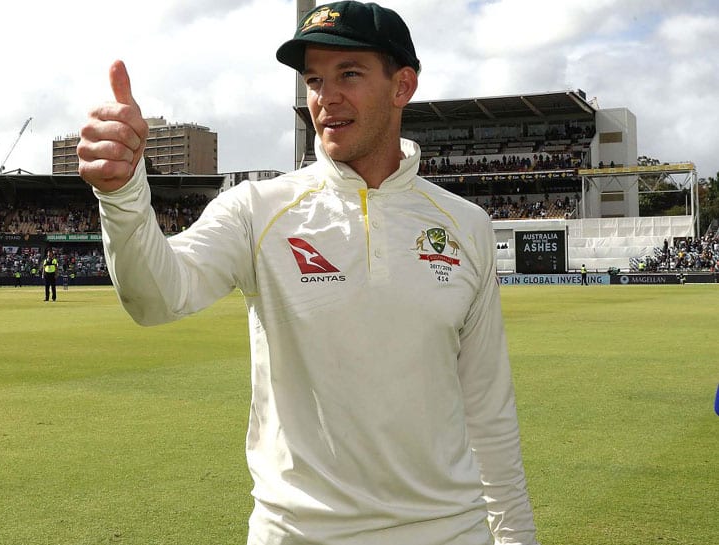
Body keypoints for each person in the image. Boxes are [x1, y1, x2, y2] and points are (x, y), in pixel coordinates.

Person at [77, 2, 540, 544]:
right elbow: (157, 298)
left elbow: (488, 408)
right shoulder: (256, 208)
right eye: (315, 80)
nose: (326, 97)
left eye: (349, 74)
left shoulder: (465, 225)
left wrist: (516, 536)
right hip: (299, 533)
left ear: (402, 86)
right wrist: (124, 196)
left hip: (450, 532)